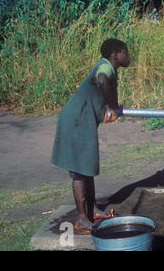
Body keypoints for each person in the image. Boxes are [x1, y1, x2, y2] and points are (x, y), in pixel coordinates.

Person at [51, 38, 131, 233]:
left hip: (82, 120)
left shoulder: (107, 68)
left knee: (87, 167)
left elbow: (104, 89)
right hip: (76, 121)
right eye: (125, 53)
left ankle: (93, 210)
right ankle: (82, 220)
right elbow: (102, 81)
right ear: (115, 55)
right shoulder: (106, 68)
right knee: (79, 171)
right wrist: (112, 107)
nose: (128, 57)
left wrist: (111, 107)